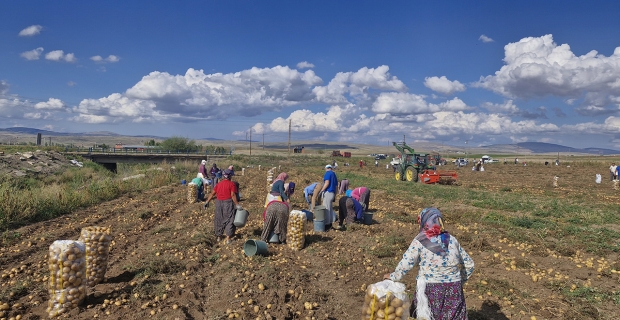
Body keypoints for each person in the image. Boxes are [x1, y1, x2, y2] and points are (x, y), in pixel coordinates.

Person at [383, 208, 474, 320]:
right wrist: (459, 282)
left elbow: (407, 262)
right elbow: (469, 264)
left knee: (426, 316)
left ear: (424, 221)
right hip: (454, 289)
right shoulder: (452, 240)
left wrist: (394, 276)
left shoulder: (420, 240)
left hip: (430, 289)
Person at [204, 169, 239, 244]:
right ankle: (228, 239)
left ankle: (219, 237)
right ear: (230, 176)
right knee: (230, 219)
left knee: (219, 218)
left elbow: (212, 194)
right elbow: (233, 195)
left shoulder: (219, 184)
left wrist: (207, 202)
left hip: (219, 203)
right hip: (228, 203)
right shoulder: (232, 184)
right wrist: (237, 204)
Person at [319, 164, 338, 229]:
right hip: (332, 193)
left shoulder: (327, 173)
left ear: (326, 168)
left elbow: (327, 183)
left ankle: (327, 225)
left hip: (328, 192)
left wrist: (322, 190)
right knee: (330, 209)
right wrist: (335, 195)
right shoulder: (334, 174)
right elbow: (336, 186)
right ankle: (330, 224)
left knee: (326, 209)